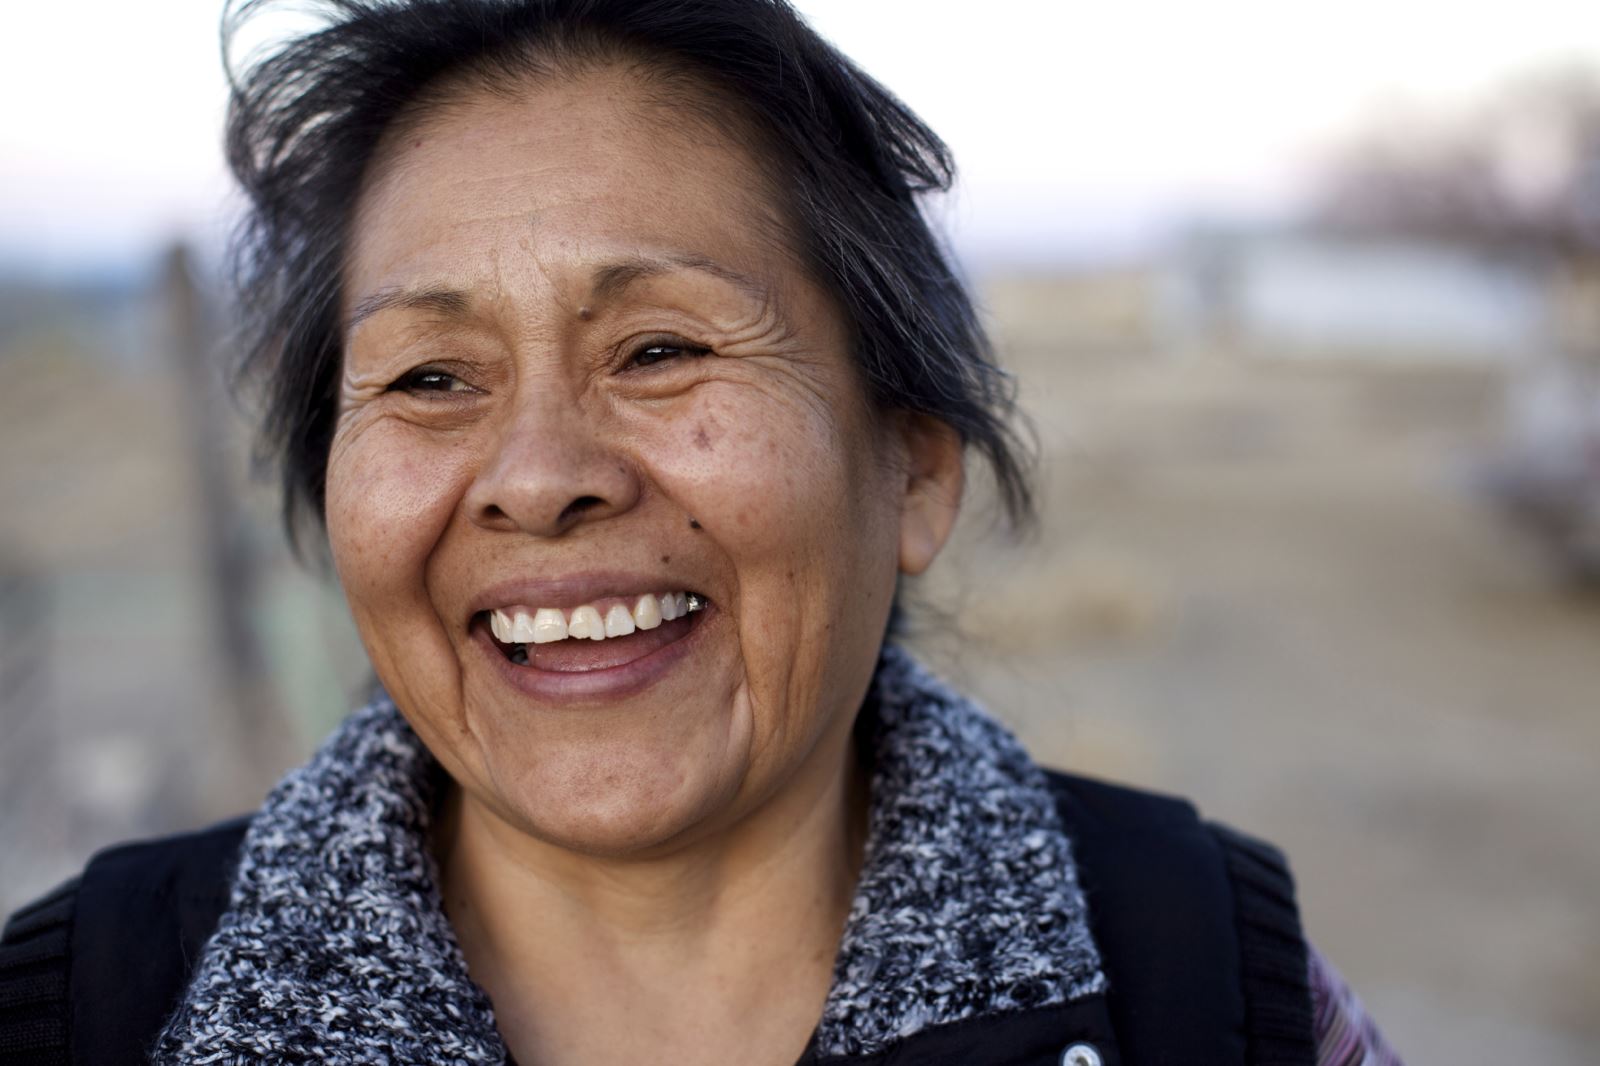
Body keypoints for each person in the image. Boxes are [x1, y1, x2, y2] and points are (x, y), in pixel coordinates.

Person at [0, 1, 1402, 1063]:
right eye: (430, 377)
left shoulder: (1216, 986)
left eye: (661, 348)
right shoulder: (78, 1009)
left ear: (913, 470)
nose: (539, 477)